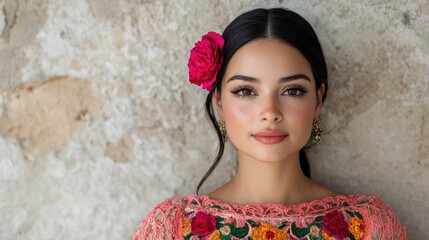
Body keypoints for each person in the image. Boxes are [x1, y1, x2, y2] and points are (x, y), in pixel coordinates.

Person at [133, 8, 406, 240]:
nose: (270, 112)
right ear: (219, 102)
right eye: (245, 91)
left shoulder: (367, 227)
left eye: (292, 90)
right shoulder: (173, 229)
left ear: (318, 100)